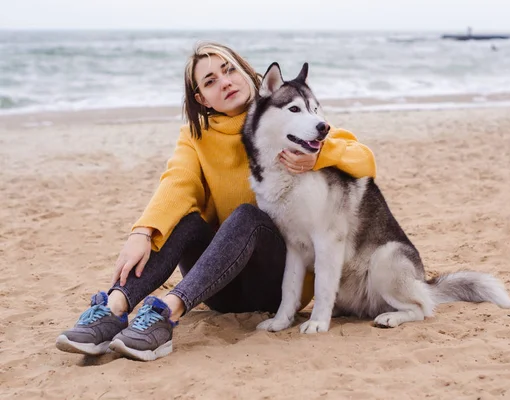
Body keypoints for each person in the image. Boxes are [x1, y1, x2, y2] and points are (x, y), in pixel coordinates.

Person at [55, 41, 377, 361]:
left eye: (229, 70)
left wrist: (320, 155)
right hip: (217, 287)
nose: (224, 82)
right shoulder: (196, 136)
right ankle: (113, 308)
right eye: (210, 81)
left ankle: (166, 314)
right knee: (187, 219)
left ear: (245, 71)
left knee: (247, 216)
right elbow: (178, 182)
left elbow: (364, 160)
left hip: (278, 283)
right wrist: (142, 231)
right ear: (201, 98)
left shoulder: (287, 115)